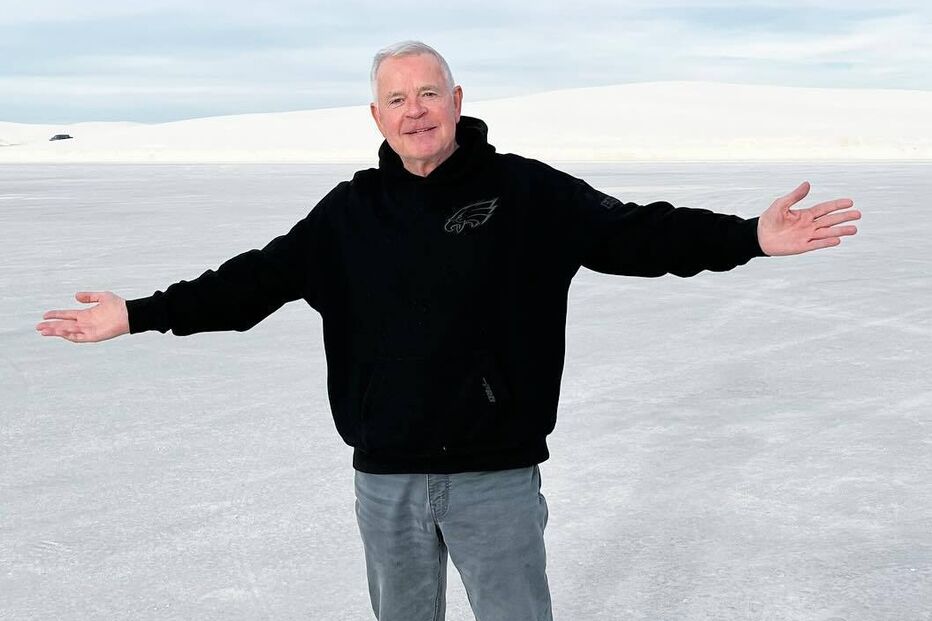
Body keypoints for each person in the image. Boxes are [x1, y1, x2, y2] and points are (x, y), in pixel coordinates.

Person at [36, 41, 860, 621]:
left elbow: (640, 232)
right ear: (376, 114)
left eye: (429, 93)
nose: (415, 110)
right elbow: (250, 281)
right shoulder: (349, 214)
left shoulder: (527, 195)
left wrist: (749, 235)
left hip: (494, 479)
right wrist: (139, 312)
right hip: (385, 479)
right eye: (397, 98)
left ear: (459, 102)